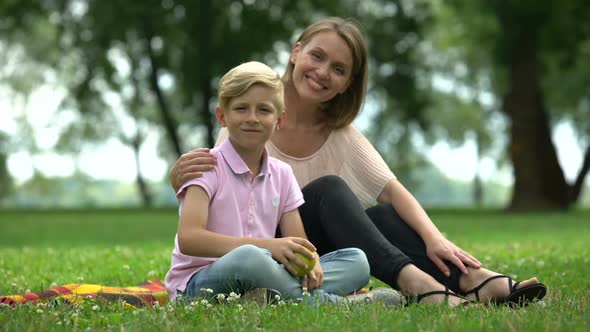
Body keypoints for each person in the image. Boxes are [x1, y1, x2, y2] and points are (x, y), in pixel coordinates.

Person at [169, 18, 547, 307]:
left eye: (338, 68)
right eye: (317, 56)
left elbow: (393, 192)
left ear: (347, 83)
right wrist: (179, 179)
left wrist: (436, 239)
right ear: (296, 52)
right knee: (329, 191)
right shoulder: (247, 118)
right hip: (256, 252)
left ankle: (471, 279)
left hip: (296, 252)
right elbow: (212, 194)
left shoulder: (339, 134)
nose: (322, 72)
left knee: (379, 223)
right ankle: (413, 287)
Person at [164, 61, 400, 306]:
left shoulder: (282, 174)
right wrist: (269, 247)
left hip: (265, 272)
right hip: (198, 283)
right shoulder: (205, 166)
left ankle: (267, 297)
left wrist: (311, 262)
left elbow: (298, 243)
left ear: (279, 120)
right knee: (250, 258)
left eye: (264, 110)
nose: (252, 118)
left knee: (358, 261)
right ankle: (335, 304)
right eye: (241, 108)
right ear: (222, 116)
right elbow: (189, 239)